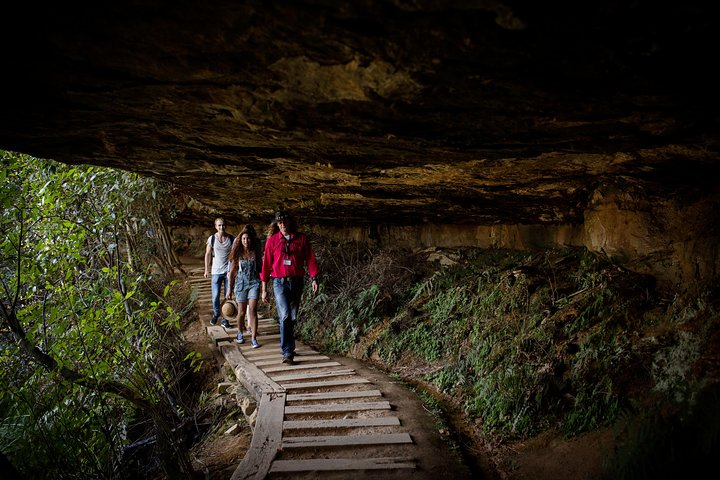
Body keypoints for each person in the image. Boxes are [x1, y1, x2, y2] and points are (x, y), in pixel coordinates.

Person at [260, 211, 319, 365]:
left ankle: (289, 348)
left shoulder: (301, 239)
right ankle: (287, 351)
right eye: (279, 223)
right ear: (276, 225)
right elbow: (266, 265)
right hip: (279, 282)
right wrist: (264, 288)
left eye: (285, 222)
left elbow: (310, 259)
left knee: (292, 317)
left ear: (290, 222)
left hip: (297, 281)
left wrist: (314, 278)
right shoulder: (272, 241)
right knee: (285, 315)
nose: (282, 225)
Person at [227, 224, 262, 348]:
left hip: (254, 283)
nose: (246, 241)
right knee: (241, 312)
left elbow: (260, 268)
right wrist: (229, 290)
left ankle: (253, 338)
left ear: (251, 240)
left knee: (252, 309)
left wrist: (263, 285)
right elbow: (232, 272)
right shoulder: (237, 253)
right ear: (240, 240)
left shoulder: (255, 252)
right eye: (243, 239)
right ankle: (239, 333)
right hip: (241, 284)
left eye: (248, 238)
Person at [204, 217, 234, 328]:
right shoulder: (211, 239)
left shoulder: (231, 238)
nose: (221, 227)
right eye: (219, 225)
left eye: (223, 225)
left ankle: (225, 320)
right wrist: (206, 270)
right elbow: (207, 254)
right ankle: (216, 313)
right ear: (216, 226)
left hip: (227, 272)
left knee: (228, 296)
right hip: (216, 271)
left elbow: (234, 255)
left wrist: (233, 270)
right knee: (215, 296)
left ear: (225, 226)